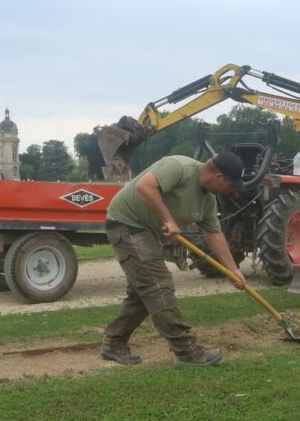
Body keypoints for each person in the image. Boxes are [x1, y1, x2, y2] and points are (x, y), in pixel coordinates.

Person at [100, 152, 247, 367]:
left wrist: (233, 270)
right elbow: (144, 186)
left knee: (144, 291)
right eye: (231, 186)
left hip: (146, 231)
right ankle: (186, 351)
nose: (231, 191)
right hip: (126, 222)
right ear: (219, 177)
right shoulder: (179, 167)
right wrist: (168, 219)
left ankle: (114, 343)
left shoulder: (208, 201)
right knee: (158, 286)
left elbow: (215, 234)